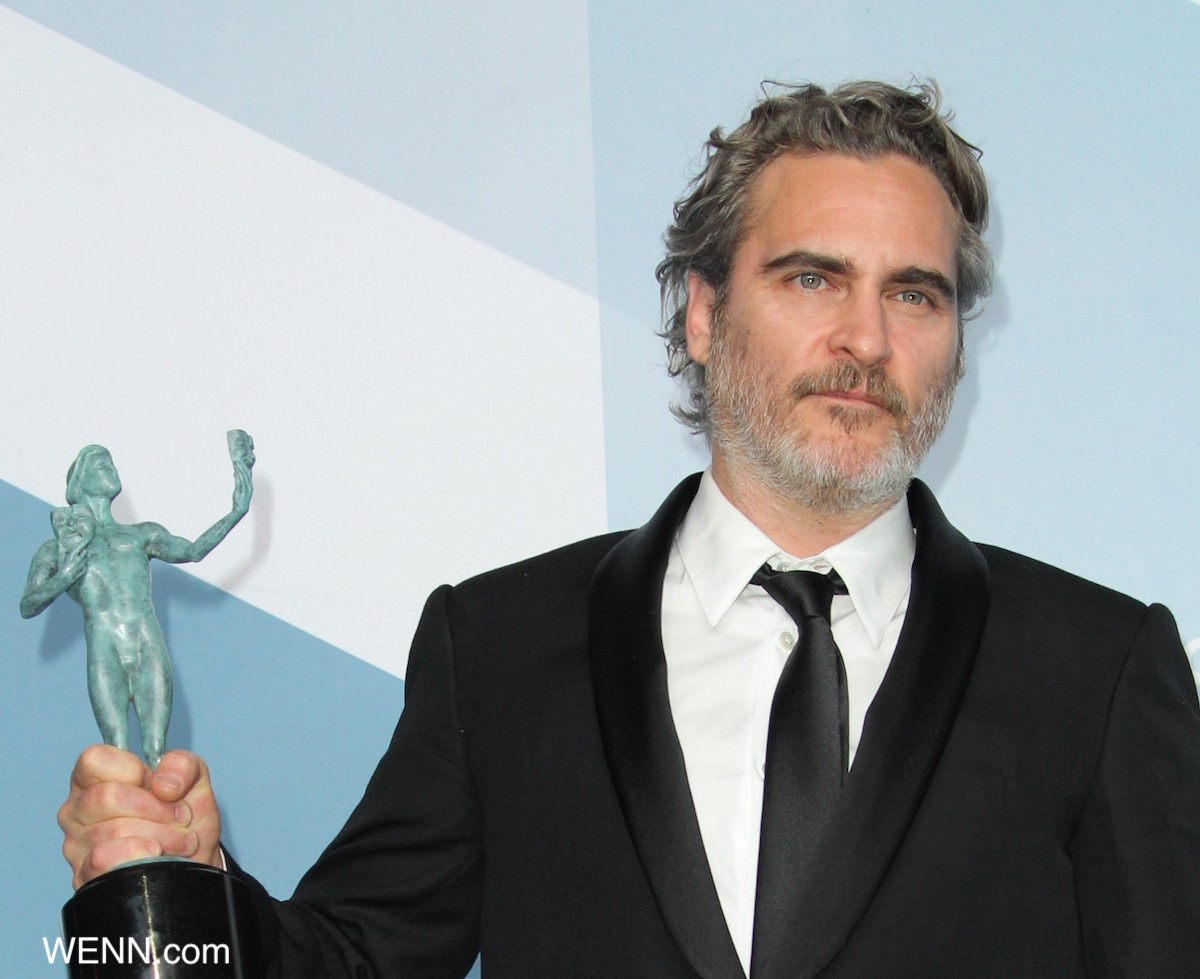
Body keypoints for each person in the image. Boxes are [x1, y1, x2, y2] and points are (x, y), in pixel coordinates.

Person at [58, 80, 1200, 977]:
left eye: (916, 292)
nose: (867, 337)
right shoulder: (497, 645)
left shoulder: (1096, 668)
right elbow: (348, 961)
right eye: (813, 279)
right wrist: (175, 890)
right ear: (702, 315)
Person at [24, 440, 253, 768]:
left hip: (147, 644)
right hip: (104, 650)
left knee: (158, 753)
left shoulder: (140, 535)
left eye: (111, 463)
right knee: (116, 754)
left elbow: (192, 550)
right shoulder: (57, 548)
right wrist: (66, 575)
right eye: (101, 464)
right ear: (79, 482)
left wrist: (236, 511)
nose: (111, 468)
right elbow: (28, 604)